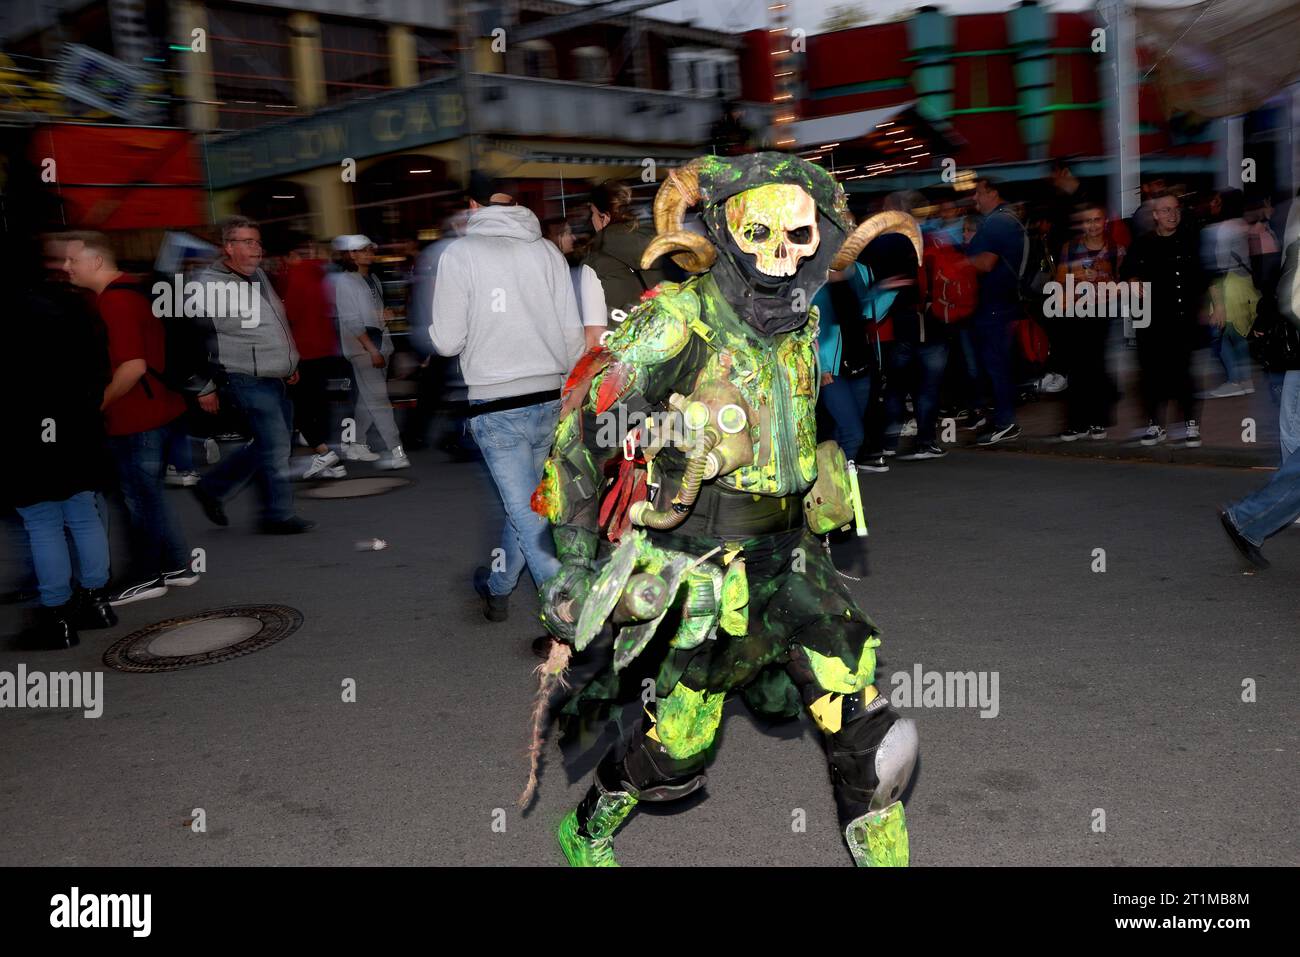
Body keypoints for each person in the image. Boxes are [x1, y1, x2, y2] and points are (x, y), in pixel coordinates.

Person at [532, 153, 920, 867]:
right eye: (760, 233)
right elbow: (582, 430)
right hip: (707, 566)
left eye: (799, 236)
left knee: (871, 735)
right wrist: (579, 560)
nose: (780, 255)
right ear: (725, 232)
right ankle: (587, 826)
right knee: (677, 747)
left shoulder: (800, 318)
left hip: (795, 556)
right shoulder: (676, 321)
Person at [429, 177, 584, 622]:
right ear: (514, 202)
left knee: (527, 514)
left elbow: (446, 341)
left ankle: (568, 617)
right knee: (529, 507)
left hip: (497, 405)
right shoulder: (547, 251)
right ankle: (497, 586)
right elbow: (573, 333)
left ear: (473, 204)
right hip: (550, 397)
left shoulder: (459, 254)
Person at [62, 232, 199, 605]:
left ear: (96, 262)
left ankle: (146, 575)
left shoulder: (115, 302)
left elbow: (133, 367)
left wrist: (98, 405)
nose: (66, 267)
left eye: (72, 260)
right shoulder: (131, 290)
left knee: (138, 500)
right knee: (150, 496)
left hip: (137, 416)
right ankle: (176, 567)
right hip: (159, 410)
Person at [2, 235, 117, 647]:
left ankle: (56, 616)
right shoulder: (74, 304)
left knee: (42, 521)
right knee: (83, 513)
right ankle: (96, 601)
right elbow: (101, 364)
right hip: (78, 424)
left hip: (26, 430)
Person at [190, 216, 314, 534]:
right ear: (228, 247)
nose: (256, 248)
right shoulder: (209, 285)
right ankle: (278, 515)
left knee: (270, 444)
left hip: (275, 374)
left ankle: (212, 487)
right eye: (248, 242)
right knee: (275, 447)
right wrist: (203, 386)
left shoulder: (257, 274)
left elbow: (273, 324)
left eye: (257, 241)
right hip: (244, 375)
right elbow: (194, 338)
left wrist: (289, 363)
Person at [1120, 190, 1205, 447]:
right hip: (1152, 321)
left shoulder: (1190, 240)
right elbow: (1128, 273)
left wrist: (1214, 305)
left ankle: (1190, 423)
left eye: (1176, 209)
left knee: (1184, 372)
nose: (1172, 214)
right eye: (1166, 210)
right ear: (1155, 215)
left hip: (1183, 318)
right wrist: (1134, 283)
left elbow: (1204, 275)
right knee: (1152, 374)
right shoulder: (1143, 243)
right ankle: (1156, 425)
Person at [331, 235, 409, 470]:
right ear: (351, 254)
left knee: (368, 399)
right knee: (379, 401)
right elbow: (351, 321)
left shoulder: (372, 278)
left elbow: (369, 313)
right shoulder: (345, 282)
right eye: (362, 251)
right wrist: (372, 350)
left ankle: (355, 443)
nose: (369, 254)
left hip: (379, 344)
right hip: (363, 349)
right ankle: (397, 451)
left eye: (370, 250)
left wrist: (384, 315)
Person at [280, 235, 347, 480]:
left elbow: (290, 316)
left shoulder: (294, 277)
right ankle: (330, 462)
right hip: (325, 348)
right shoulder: (321, 275)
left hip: (303, 351)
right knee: (317, 405)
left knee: (298, 408)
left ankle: (324, 453)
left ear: (290, 257)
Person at [1054, 203, 1123, 441]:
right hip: (1074, 312)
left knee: (1096, 366)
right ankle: (1076, 422)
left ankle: (1097, 420)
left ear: (1104, 222)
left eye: (1096, 220)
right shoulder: (1070, 247)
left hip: (1102, 313)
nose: (1092, 225)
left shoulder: (1116, 249)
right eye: (1087, 221)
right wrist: (1080, 276)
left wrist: (1102, 277)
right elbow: (1059, 279)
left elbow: (1123, 284)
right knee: (1076, 367)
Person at [966, 177, 1026, 445]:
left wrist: (957, 263)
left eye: (978, 193)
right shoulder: (1009, 220)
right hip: (1003, 304)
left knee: (996, 366)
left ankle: (1005, 422)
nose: (974, 199)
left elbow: (985, 263)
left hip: (994, 307)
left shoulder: (997, 222)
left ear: (993, 193)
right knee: (997, 365)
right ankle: (1003, 419)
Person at [1201, 188, 1257, 398]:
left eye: (1216, 201)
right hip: (1244, 284)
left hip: (1227, 285)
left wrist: (1217, 300)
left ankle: (1234, 380)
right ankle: (1245, 379)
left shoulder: (1221, 228)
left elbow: (1218, 265)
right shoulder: (1243, 225)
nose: (1212, 205)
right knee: (1239, 334)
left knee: (1220, 336)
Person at [584, 180, 667, 318]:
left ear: (604, 217)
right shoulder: (658, 241)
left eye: (592, 212)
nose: (591, 219)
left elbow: (595, 331)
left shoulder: (594, 263)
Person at [543, 215, 608, 350]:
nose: (573, 238)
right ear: (555, 237)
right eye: (567, 233)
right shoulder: (564, 271)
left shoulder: (563, 268)